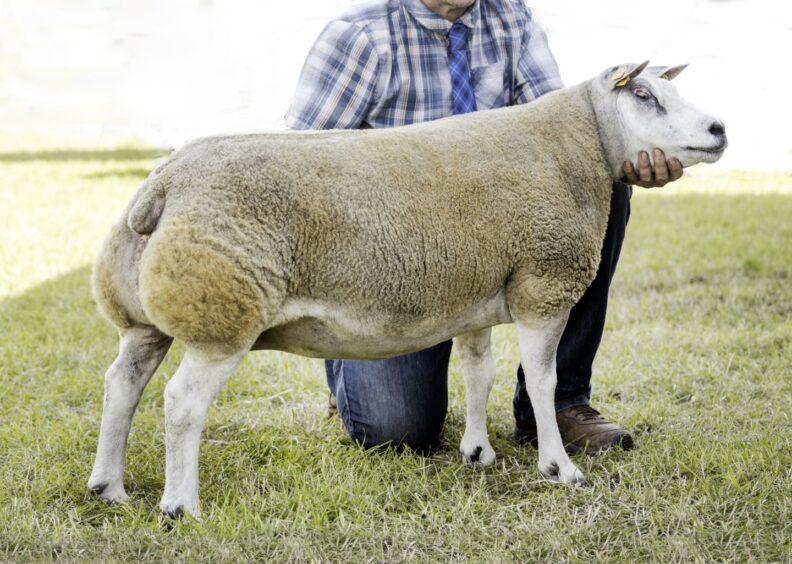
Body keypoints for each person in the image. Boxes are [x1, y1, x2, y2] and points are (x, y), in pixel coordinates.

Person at [285, 0, 682, 453]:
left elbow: (567, 141)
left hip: (489, 246)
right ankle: (345, 370)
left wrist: (635, 157)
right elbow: (299, 171)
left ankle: (557, 403)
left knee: (595, 185)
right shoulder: (359, 36)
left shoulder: (513, 17)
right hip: (398, 265)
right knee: (398, 432)